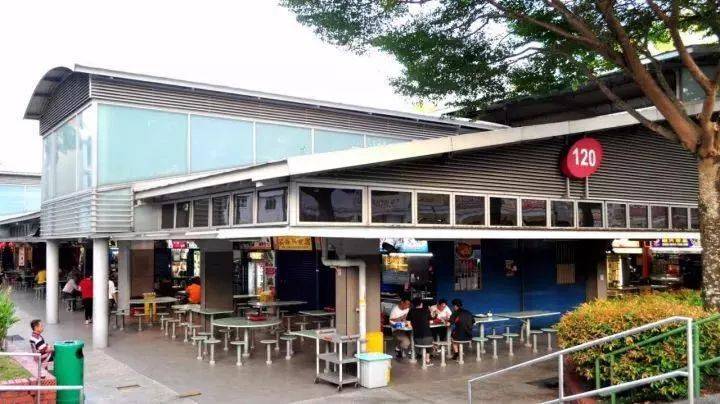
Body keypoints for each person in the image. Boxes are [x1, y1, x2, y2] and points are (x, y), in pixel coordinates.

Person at [406, 297, 433, 366]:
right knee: (429, 344)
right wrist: (431, 312)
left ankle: (418, 354)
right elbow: (431, 321)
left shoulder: (411, 311)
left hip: (417, 338)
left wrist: (411, 326)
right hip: (427, 337)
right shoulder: (426, 310)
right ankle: (427, 360)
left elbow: (408, 323)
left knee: (419, 343)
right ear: (421, 304)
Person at [389, 295, 411, 360]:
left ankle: (412, 352)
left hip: (407, 329)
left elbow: (406, 318)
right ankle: (398, 348)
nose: (408, 306)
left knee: (417, 337)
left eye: (409, 304)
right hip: (397, 330)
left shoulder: (407, 309)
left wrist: (405, 320)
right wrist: (401, 319)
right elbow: (391, 322)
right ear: (402, 302)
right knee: (406, 343)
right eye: (407, 304)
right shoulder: (395, 310)